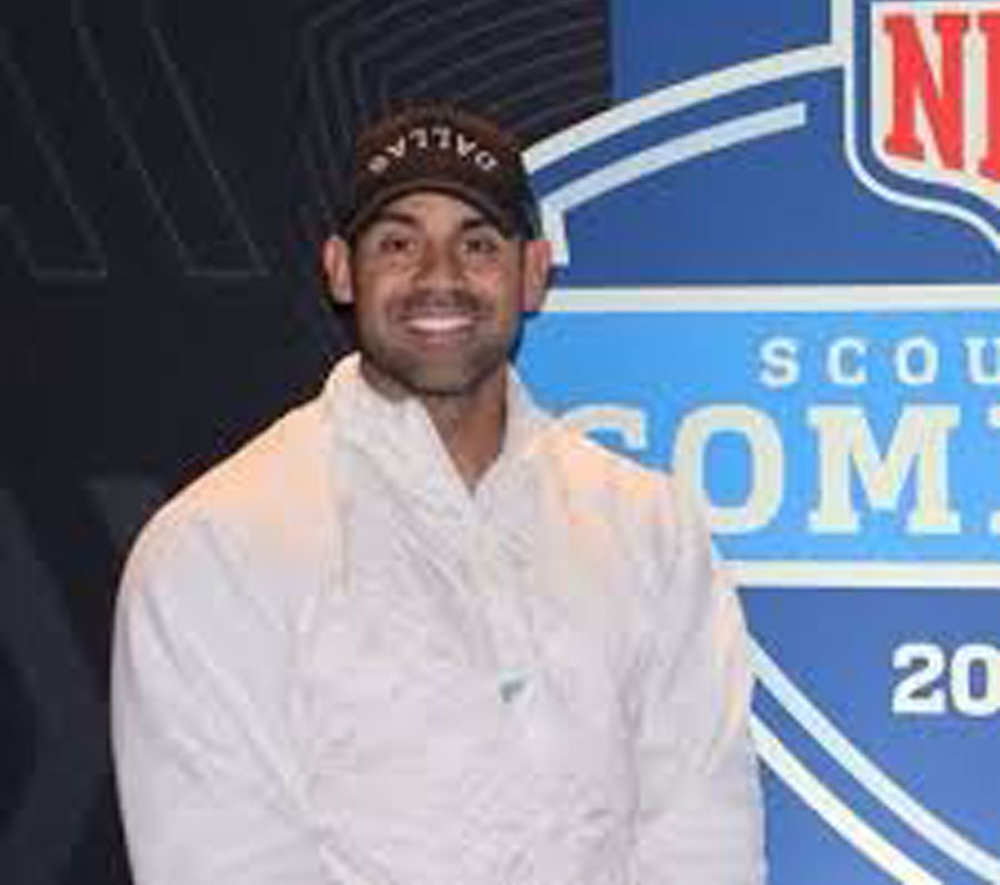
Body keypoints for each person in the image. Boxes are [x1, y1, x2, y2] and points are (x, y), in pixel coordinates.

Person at [111, 102, 766, 885]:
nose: (439, 277)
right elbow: (220, 862)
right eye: (398, 243)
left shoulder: (649, 527)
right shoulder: (218, 542)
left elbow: (704, 836)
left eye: (477, 243)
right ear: (340, 269)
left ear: (533, 272)